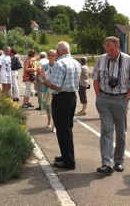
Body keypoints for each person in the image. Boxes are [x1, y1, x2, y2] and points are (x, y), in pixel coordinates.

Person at [92, 36, 130, 174]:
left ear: (118, 47)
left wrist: (127, 98)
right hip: (104, 99)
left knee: (120, 131)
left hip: (121, 99)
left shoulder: (128, 60)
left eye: (112, 50)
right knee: (106, 129)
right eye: (107, 51)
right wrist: (98, 95)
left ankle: (118, 161)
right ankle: (106, 163)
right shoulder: (101, 59)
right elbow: (95, 78)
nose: (110, 53)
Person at [43, 41, 81, 170]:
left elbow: (57, 86)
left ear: (58, 52)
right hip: (72, 97)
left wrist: (47, 84)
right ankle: (66, 155)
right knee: (67, 128)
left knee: (62, 129)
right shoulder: (76, 63)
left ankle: (68, 161)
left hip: (61, 98)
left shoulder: (60, 64)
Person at [40, 49, 57, 132]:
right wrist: (47, 80)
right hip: (47, 88)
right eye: (49, 55)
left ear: (55, 56)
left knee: (55, 107)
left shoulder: (57, 65)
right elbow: (42, 77)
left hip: (55, 89)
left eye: (52, 55)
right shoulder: (45, 66)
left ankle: (54, 125)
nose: (50, 57)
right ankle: (49, 121)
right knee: (48, 107)